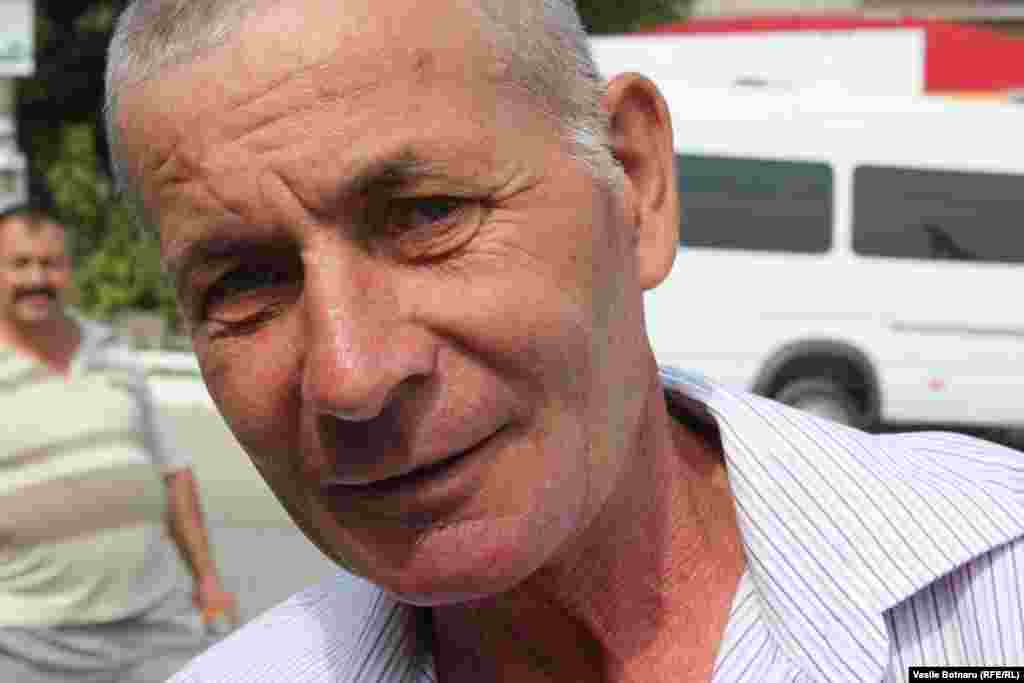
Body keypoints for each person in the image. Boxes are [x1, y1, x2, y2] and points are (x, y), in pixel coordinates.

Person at [104, 0, 1024, 680]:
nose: (350, 374)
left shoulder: (994, 586)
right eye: (245, 282)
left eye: (426, 216)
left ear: (634, 180)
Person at [0, 193, 239, 682]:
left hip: (151, 629)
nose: (36, 278)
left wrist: (208, 581)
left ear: (69, 270)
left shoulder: (112, 351)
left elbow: (172, 472)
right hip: (25, 642)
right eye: (19, 264)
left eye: (51, 263)